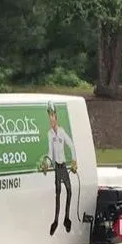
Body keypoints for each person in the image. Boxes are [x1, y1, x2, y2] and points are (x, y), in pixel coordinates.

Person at [42, 101, 77, 235]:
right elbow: (50, 153)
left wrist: (74, 161)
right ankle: (56, 220)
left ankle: (66, 218)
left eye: (53, 117)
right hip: (57, 167)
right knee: (58, 193)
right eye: (49, 118)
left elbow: (71, 145)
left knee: (69, 191)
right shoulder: (50, 134)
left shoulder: (62, 132)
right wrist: (47, 163)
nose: (51, 121)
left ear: (56, 117)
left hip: (64, 166)